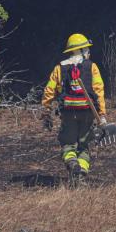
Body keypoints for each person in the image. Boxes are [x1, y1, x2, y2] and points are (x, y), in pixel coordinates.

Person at [42, 33, 106, 185]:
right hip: (88, 113)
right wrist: (102, 115)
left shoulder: (59, 68)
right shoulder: (92, 67)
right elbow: (99, 91)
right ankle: (81, 175)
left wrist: (46, 109)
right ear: (83, 50)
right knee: (84, 146)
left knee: (68, 144)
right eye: (87, 49)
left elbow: (49, 90)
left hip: (68, 113)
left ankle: (72, 164)